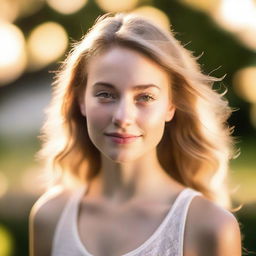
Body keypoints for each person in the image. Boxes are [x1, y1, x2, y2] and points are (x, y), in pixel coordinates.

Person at [29, 13, 242, 256]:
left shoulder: (210, 228)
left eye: (145, 97)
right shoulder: (49, 217)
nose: (122, 117)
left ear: (170, 106)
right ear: (81, 100)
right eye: (106, 94)